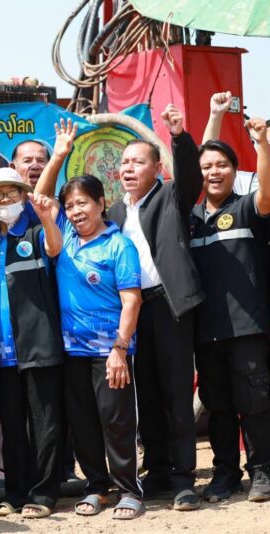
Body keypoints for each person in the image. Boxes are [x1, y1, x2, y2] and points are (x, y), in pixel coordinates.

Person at [109, 104, 204, 510]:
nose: (129, 168)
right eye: (124, 162)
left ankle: (184, 478)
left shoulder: (169, 196)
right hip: (134, 311)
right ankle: (159, 469)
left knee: (176, 392)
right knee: (145, 392)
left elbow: (191, 178)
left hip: (169, 306)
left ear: (157, 168)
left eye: (138, 161)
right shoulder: (115, 212)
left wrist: (178, 137)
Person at [0, 165, 64, 519]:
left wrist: (47, 219)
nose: (4, 200)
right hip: (0, 354)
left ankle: (44, 494)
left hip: (40, 346)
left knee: (44, 424)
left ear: (23, 197)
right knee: (10, 426)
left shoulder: (37, 233)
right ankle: (14, 494)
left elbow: (55, 248)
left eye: (11, 193)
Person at [51, 173, 144, 519]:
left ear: (101, 203)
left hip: (110, 353)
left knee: (116, 423)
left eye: (82, 203)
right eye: (69, 206)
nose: (75, 211)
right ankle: (96, 487)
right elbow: (40, 200)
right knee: (83, 424)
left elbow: (132, 300)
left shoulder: (119, 245)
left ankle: (129, 491)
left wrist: (120, 348)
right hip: (71, 351)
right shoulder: (64, 239)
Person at [191, 118, 270, 503]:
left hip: (247, 328)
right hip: (206, 332)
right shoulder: (189, 219)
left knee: (255, 403)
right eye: (206, 166)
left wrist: (262, 145)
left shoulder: (246, 207)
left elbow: (266, 194)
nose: (214, 172)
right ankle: (225, 473)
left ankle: (262, 470)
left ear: (235, 171)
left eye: (222, 165)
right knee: (217, 406)